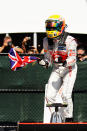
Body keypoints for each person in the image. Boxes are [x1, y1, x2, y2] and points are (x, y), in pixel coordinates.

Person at [38, 15, 77, 123]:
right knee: (49, 95)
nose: (50, 30)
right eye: (48, 27)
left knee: (66, 95)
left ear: (61, 26)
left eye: (53, 27)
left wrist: (65, 62)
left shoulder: (70, 40)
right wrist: (44, 62)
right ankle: (56, 119)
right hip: (56, 69)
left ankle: (69, 119)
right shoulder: (46, 40)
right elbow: (48, 59)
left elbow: (73, 59)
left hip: (69, 69)